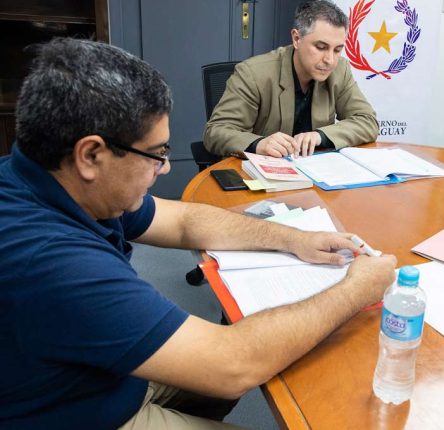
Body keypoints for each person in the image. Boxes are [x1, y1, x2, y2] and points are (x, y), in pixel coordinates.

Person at [0, 38, 396, 429]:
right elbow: (233, 364)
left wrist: (294, 239)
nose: (166, 168)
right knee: (245, 363)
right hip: (89, 412)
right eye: (156, 154)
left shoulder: (54, 180)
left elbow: (184, 221)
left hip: (105, 375)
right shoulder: (52, 260)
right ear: (91, 155)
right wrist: (356, 289)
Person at [203, 0, 377, 159]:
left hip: (316, 174)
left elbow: (367, 121)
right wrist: (259, 144)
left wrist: (320, 136)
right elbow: (216, 132)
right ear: (296, 38)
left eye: (337, 50)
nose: (330, 60)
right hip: (263, 174)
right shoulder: (253, 73)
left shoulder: (340, 69)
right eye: (321, 47)